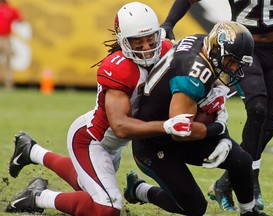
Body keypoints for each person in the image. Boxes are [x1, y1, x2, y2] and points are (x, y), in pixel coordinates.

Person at [5, 2, 192, 215]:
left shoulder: (168, 51)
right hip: (92, 141)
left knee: (84, 183)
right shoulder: (118, 68)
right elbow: (120, 127)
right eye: (137, 43)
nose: (147, 48)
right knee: (107, 208)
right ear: (123, 42)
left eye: (150, 39)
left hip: (112, 143)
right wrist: (167, 126)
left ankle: (32, 151)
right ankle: (38, 197)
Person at [124, 21, 269, 216]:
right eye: (230, 61)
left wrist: (219, 117)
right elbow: (180, 131)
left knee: (241, 160)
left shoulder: (204, 44)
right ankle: (140, 191)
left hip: (181, 124)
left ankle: (249, 212)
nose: (234, 68)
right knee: (195, 207)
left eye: (238, 63)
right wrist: (219, 129)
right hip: (155, 144)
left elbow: (208, 90)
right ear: (216, 48)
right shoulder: (193, 72)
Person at [160, 0, 273, 211]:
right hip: (244, 48)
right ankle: (252, 181)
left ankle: (226, 182)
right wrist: (169, 23)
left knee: (271, 118)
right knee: (257, 109)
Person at [0, 0, 23, 89]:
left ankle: (8, 84)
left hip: (6, 37)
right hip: (6, 38)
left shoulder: (10, 10)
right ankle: (8, 84)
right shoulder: (11, 9)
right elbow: (20, 19)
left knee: (8, 61)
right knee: (8, 62)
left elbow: (20, 19)